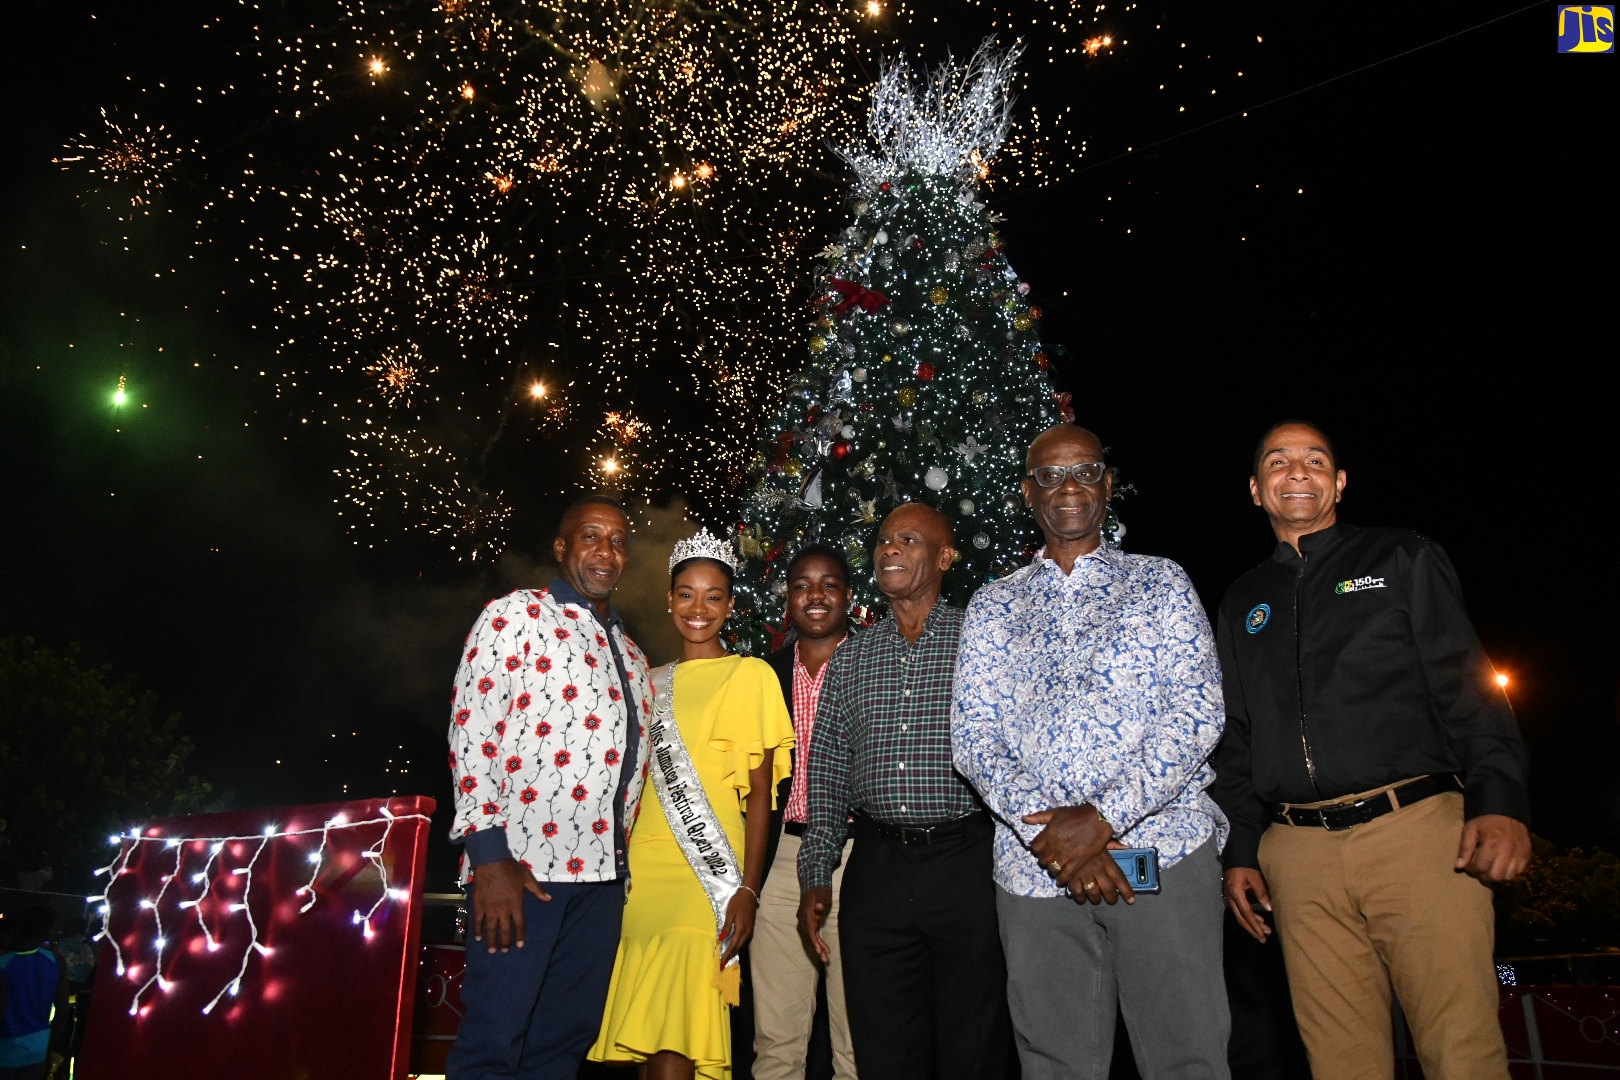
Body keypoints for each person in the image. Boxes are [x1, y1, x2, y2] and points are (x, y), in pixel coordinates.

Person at [1211, 421, 1532, 1080]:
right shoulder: (1244, 599)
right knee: (1339, 1063)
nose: (1297, 470)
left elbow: (1468, 683)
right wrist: (1241, 852)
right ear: (1255, 489)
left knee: (1460, 1049)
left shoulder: (1400, 558)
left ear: (1340, 481)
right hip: (1297, 859)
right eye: (1278, 461)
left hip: (1417, 835)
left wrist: (1500, 800)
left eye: (1314, 458)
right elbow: (1235, 736)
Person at [952, 423, 1232, 1080]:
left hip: (1162, 852)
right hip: (1035, 874)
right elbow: (973, 739)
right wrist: (1057, 839)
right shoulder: (993, 606)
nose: (1068, 486)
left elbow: (1197, 709)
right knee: (1054, 1066)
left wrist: (1101, 819)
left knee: (1186, 1059)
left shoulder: (1160, 582)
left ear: (1106, 483)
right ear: (1029, 493)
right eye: (1049, 475)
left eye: (1084, 470)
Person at [797, 503, 1014, 1080]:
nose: (889, 548)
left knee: (973, 1046)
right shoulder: (854, 656)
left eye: (909, 540)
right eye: (885, 540)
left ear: (944, 557)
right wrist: (816, 871)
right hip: (877, 869)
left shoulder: (982, 640)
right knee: (883, 1047)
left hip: (966, 864)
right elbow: (828, 768)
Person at [445, 494, 654, 1080]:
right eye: (590, 536)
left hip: (603, 884)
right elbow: (472, 731)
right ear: (562, 547)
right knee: (493, 1039)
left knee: (562, 1048)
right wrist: (488, 858)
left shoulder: (633, 655)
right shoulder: (515, 615)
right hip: (524, 874)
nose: (606, 551)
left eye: (617, 540)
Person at [589, 527, 795, 1080]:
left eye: (712, 596)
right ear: (669, 599)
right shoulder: (645, 680)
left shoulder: (750, 675)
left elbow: (760, 801)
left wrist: (748, 887)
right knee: (649, 1036)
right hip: (643, 881)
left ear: (731, 605)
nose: (698, 608)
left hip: (704, 881)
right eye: (686, 594)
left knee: (679, 1032)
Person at [753, 545, 859, 1080]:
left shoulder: (873, 667)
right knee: (777, 1040)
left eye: (829, 584)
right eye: (801, 585)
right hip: (779, 863)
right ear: (788, 598)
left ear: (849, 595)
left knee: (856, 1039)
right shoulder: (761, 675)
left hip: (857, 858)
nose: (815, 595)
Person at [0, 905, 70, 1080]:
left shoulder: (3, 963)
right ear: (47, 930)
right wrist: (48, 1049)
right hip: (38, 1049)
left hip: (5, 1049)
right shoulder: (55, 961)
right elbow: (62, 1012)